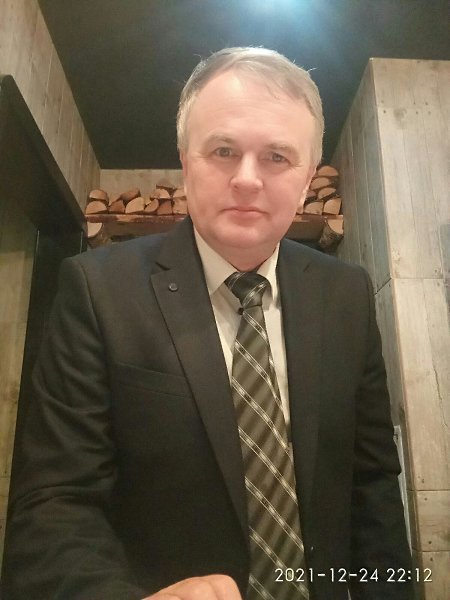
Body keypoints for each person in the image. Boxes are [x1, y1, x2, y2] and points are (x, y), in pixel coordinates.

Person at [2, 47, 413, 600]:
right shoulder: (98, 291)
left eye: (277, 157)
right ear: (185, 160)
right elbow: (54, 502)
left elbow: (373, 483)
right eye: (223, 150)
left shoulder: (347, 294)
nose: (247, 179)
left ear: (307, 178)